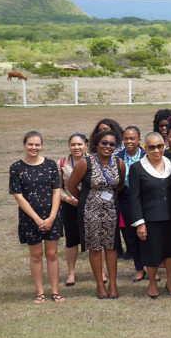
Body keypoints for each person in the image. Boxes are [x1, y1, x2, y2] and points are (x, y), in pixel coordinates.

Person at [68, 129, 126, 299]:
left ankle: (113, 284)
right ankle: (100, 286)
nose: (108, 146)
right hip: (89, 212)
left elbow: (120, 185)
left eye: (112, 144)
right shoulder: (85, 163)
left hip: (111, 211)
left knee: (111, 247)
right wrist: (86, 200)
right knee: (95, 248)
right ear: (96, 143)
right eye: (104, 143)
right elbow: (72, 185)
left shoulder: (119, 163)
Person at [10, 131, 64, 303]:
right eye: (31, 144)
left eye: (37, 144)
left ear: (41, 145)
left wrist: (51, 217)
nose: (34, 147)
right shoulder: (16, 168)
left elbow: (56, 191)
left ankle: (55, 292)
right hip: (29, 219)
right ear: (24, 145)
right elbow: (18, 196)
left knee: (52, 254)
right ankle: (40, 293)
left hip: (52, 217)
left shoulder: (50, 165)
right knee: (36, 256)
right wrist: (37, 219)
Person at [128, 131, 171, 299]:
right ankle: (152, 282)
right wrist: (140, 223)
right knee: (152, 253)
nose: (156, 150)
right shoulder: (137, 168)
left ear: (164, 145)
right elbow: (134, 198)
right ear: (145, 148)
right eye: (152, 147)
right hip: (150, 219)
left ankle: (170, 282)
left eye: (159, 146)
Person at [115, 126, 146, 282]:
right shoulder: (118, 157)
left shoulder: (147, 156)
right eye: (126, 138)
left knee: (150, 234)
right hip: (125, 197)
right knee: (132, 234)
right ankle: (139, 268)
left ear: (139, 140)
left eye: (132, 138)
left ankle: (153, 267)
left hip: (146, 198)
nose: (129, 141)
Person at [58, 133, 87, 288]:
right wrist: (67, 199)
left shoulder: (94, 160)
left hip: (91, 205)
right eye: (73, 145)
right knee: (71, 240)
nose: (76, 147)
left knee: (96, 240)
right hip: (70, 206)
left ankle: (101, 271)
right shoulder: (62, 163)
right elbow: (58, 188)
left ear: (86, 145)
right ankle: (71, 272)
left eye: (80, 144)